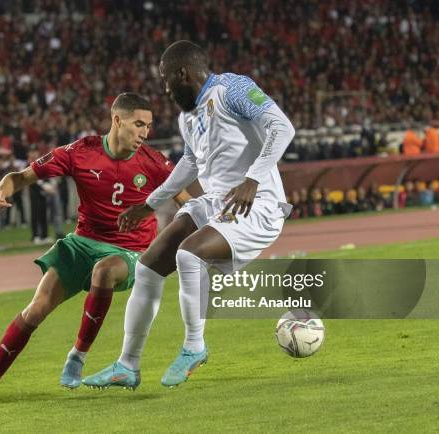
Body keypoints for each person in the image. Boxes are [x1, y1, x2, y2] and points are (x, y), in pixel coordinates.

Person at [84, 40, 294, 389]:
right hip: (216, 202)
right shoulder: (188, 117)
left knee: (189, 255)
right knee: (149, 266)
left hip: (257, 205)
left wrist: (253, 180)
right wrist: (150, 204)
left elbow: (282, 128)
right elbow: (191, 163)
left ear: (184, 73)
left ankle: (194, 346)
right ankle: (127, 365)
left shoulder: (233, 89)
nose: (165, 90)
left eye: (166, 80)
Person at [0, 92, 183, 405]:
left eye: (149, 126)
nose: (145, 132)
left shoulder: (155, 163)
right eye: (138, 124)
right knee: (36, 308)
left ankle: (77, 355)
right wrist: (3, 189)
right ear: (117, 121)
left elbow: (190, 203)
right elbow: (21, 176)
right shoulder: (80, 151)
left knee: (104, 272)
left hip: (129, 251)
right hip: (82, 242)